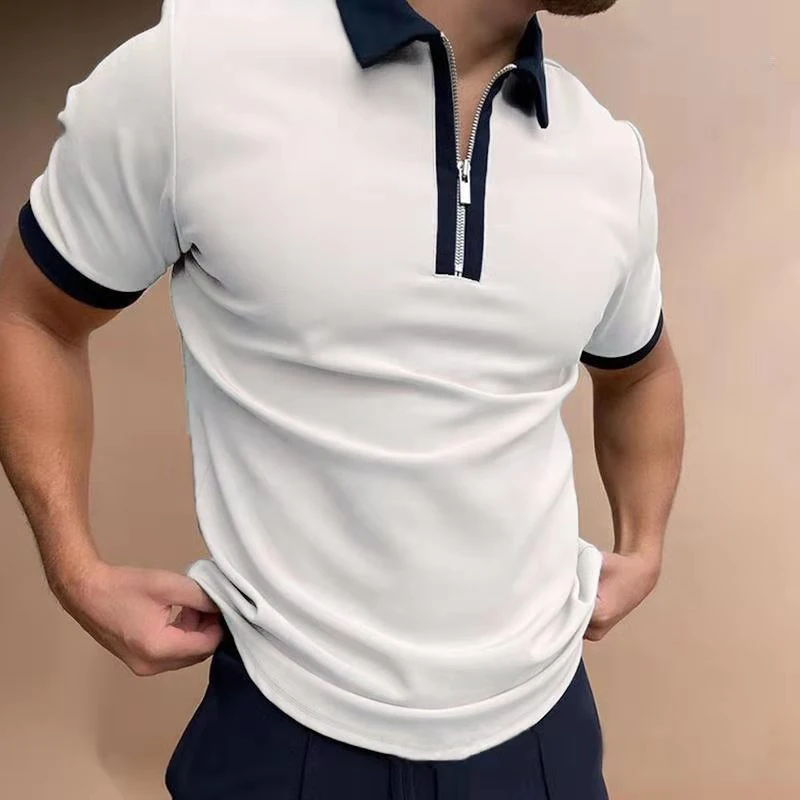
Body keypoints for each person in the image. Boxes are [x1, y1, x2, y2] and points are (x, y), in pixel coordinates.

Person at [0, 0, 684, 797]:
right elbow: (30, 316)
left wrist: (645, 545)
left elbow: (642, 373)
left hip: (542, 734)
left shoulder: (607, 156)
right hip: (285, 729)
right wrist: (75, 571)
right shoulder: (197, 74)